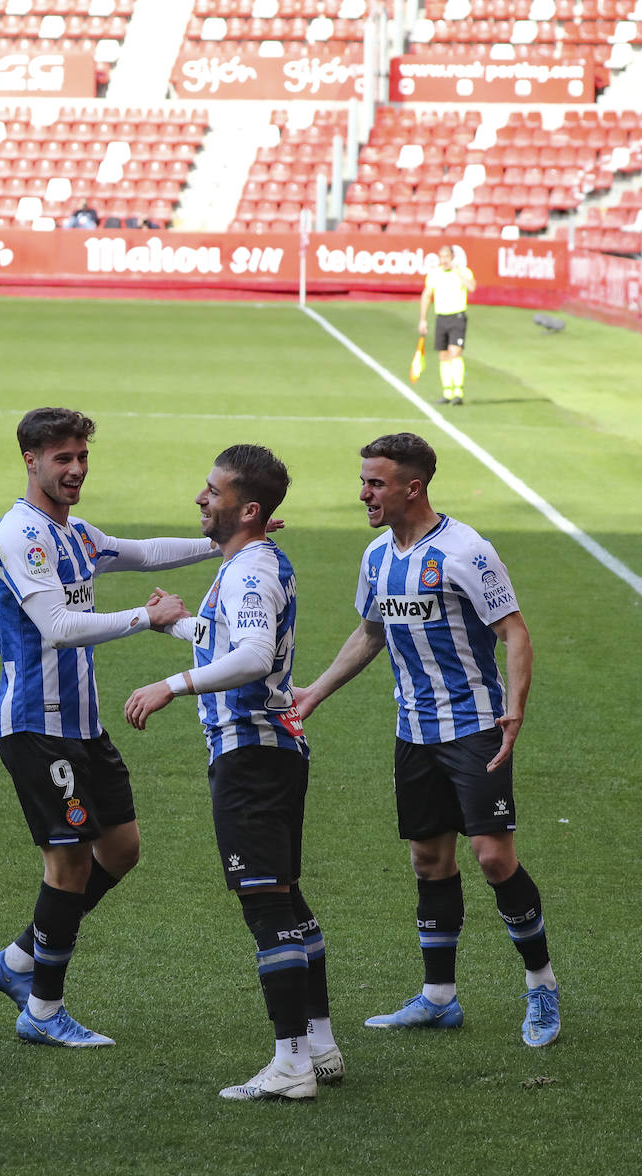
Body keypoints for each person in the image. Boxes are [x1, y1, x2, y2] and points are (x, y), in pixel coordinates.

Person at [293, 432, 559, 1048]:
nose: (363, 492)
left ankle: (541, 985)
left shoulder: (467, 551)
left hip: (474, 726)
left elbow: (515, 633)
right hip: (413, 731)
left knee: (493, 857)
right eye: (364, 480)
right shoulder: (377, 556)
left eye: (375, 482)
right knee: (428, 859)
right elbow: (370, 633)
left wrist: (514, 711)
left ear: (413, 487)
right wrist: (315, 692)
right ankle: (439, 998)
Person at [0, 407, 224, 1049]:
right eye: (62, 458)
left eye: (81, 457)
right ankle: (42, 1009)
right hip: (37, 726)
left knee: (118, 851)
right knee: (66, 864)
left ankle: (17, 960)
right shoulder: (21, 537)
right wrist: (147, 620)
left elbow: (142, 553)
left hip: (83, 727)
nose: (75, 469)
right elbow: (58, 628)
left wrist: (220, 540)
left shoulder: (76, 534)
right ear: (30, 461)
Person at [124, 445, 341, 1101]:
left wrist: (173, 684)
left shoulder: (250, 574)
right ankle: (321, 1044)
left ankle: (291, 1063)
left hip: (251, 754)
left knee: (266, 904)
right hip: (270, 751)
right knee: (287, 899)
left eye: (212, 491)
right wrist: (175, 627)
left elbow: (248, 656)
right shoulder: (249, 565)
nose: (200, 498)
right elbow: (233, 639)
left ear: (247, 509)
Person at [418, 245, 476, 405]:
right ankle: (447, 392)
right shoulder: (434, 274)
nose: (444, 260)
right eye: (441, 257)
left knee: (455, 352)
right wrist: (423, 319)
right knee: (443, 355)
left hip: (457, 317)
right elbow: (427, 295)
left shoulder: (463, 271)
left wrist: (457, 271)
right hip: (441, 317)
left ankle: (458, 392)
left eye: (447, 257)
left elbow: (472, 287)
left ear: (452, 257)